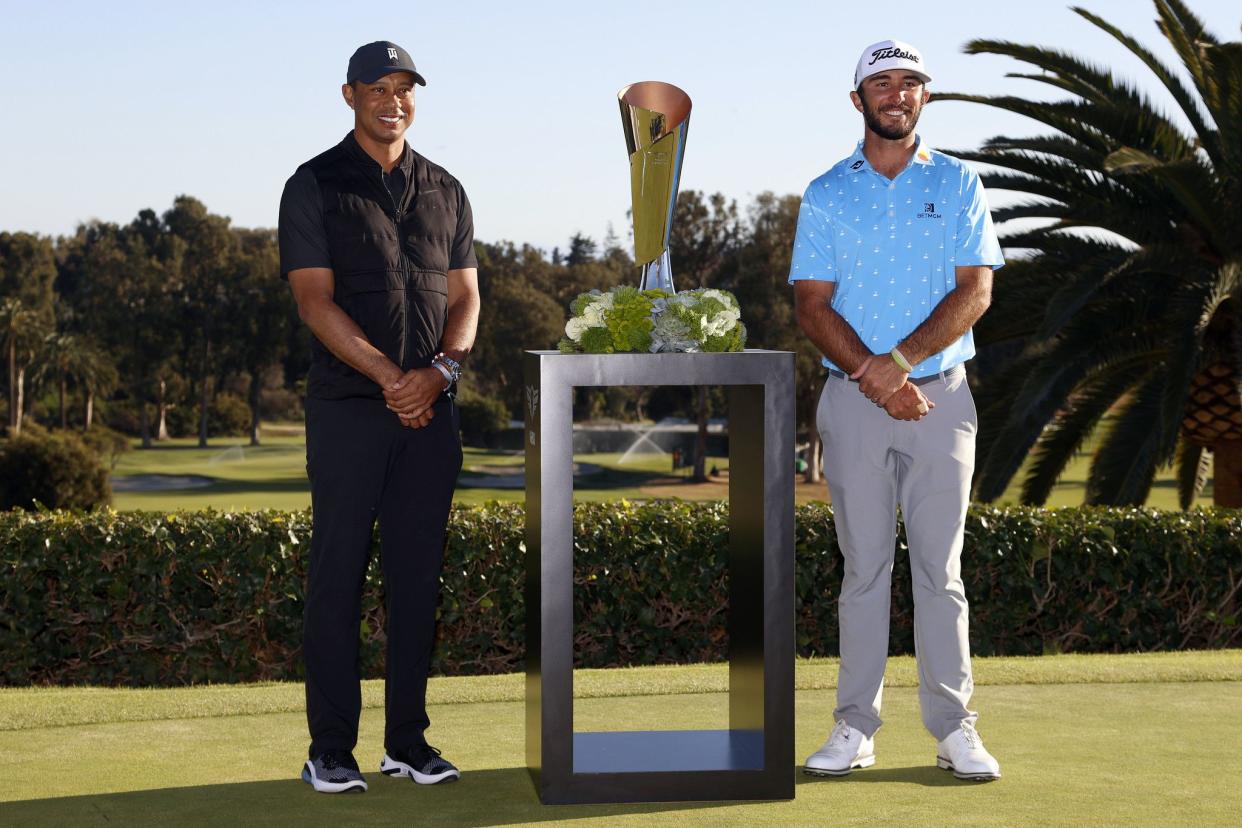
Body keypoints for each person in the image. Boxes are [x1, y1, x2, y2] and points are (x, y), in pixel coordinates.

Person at [790, 39, 1004, 781]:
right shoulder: (825, 192)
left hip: (941, 399)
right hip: (853, 403)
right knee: (864, 570)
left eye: (909, 82)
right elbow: (809, 304)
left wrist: (899, 365)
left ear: (923, 97)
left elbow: (975, 290)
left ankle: (954, 729)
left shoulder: (959, 182)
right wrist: (874, 377)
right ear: (858, 101)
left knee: (942, 573)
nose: (897, 93)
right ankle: (855, 727)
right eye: (881, 83)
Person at [278, 40, 480, 794]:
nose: (393, 100)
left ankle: (407, 742)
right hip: (349, 413)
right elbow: (313, 300)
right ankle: (330, 748)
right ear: (349, 95)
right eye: (378, 88)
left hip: (432, 413)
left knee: (417, 582)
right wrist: (395, 378)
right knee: (336, 578)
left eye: (404, 88)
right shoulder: (314, 185)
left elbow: (465, 297)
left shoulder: (447, 189)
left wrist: (440, 373)